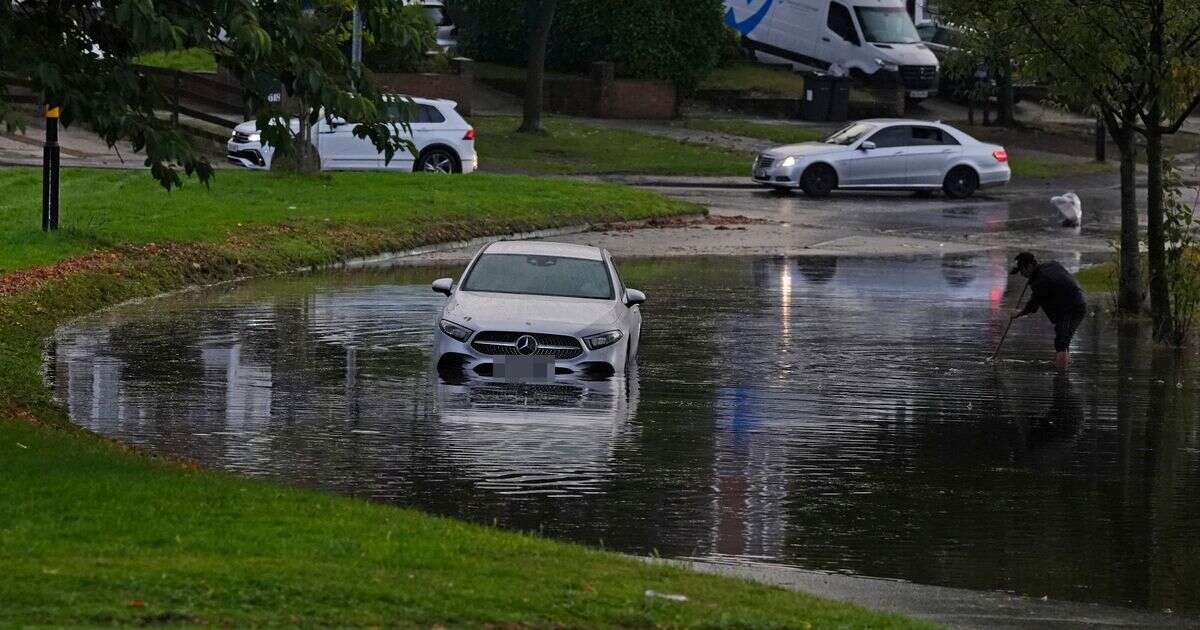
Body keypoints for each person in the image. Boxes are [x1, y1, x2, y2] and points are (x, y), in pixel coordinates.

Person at [1009, 252, 1087, 369]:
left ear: (1030, 266)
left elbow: (1033, 306)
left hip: (1070, 308)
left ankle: (1061, 375)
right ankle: (1063, 364)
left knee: (1061, 341)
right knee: (1064, 337)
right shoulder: (1052, 265)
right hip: (1075, 304)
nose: (1022, 274)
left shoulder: (1040, 281)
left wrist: (1019, 313)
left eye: (1022, 270)